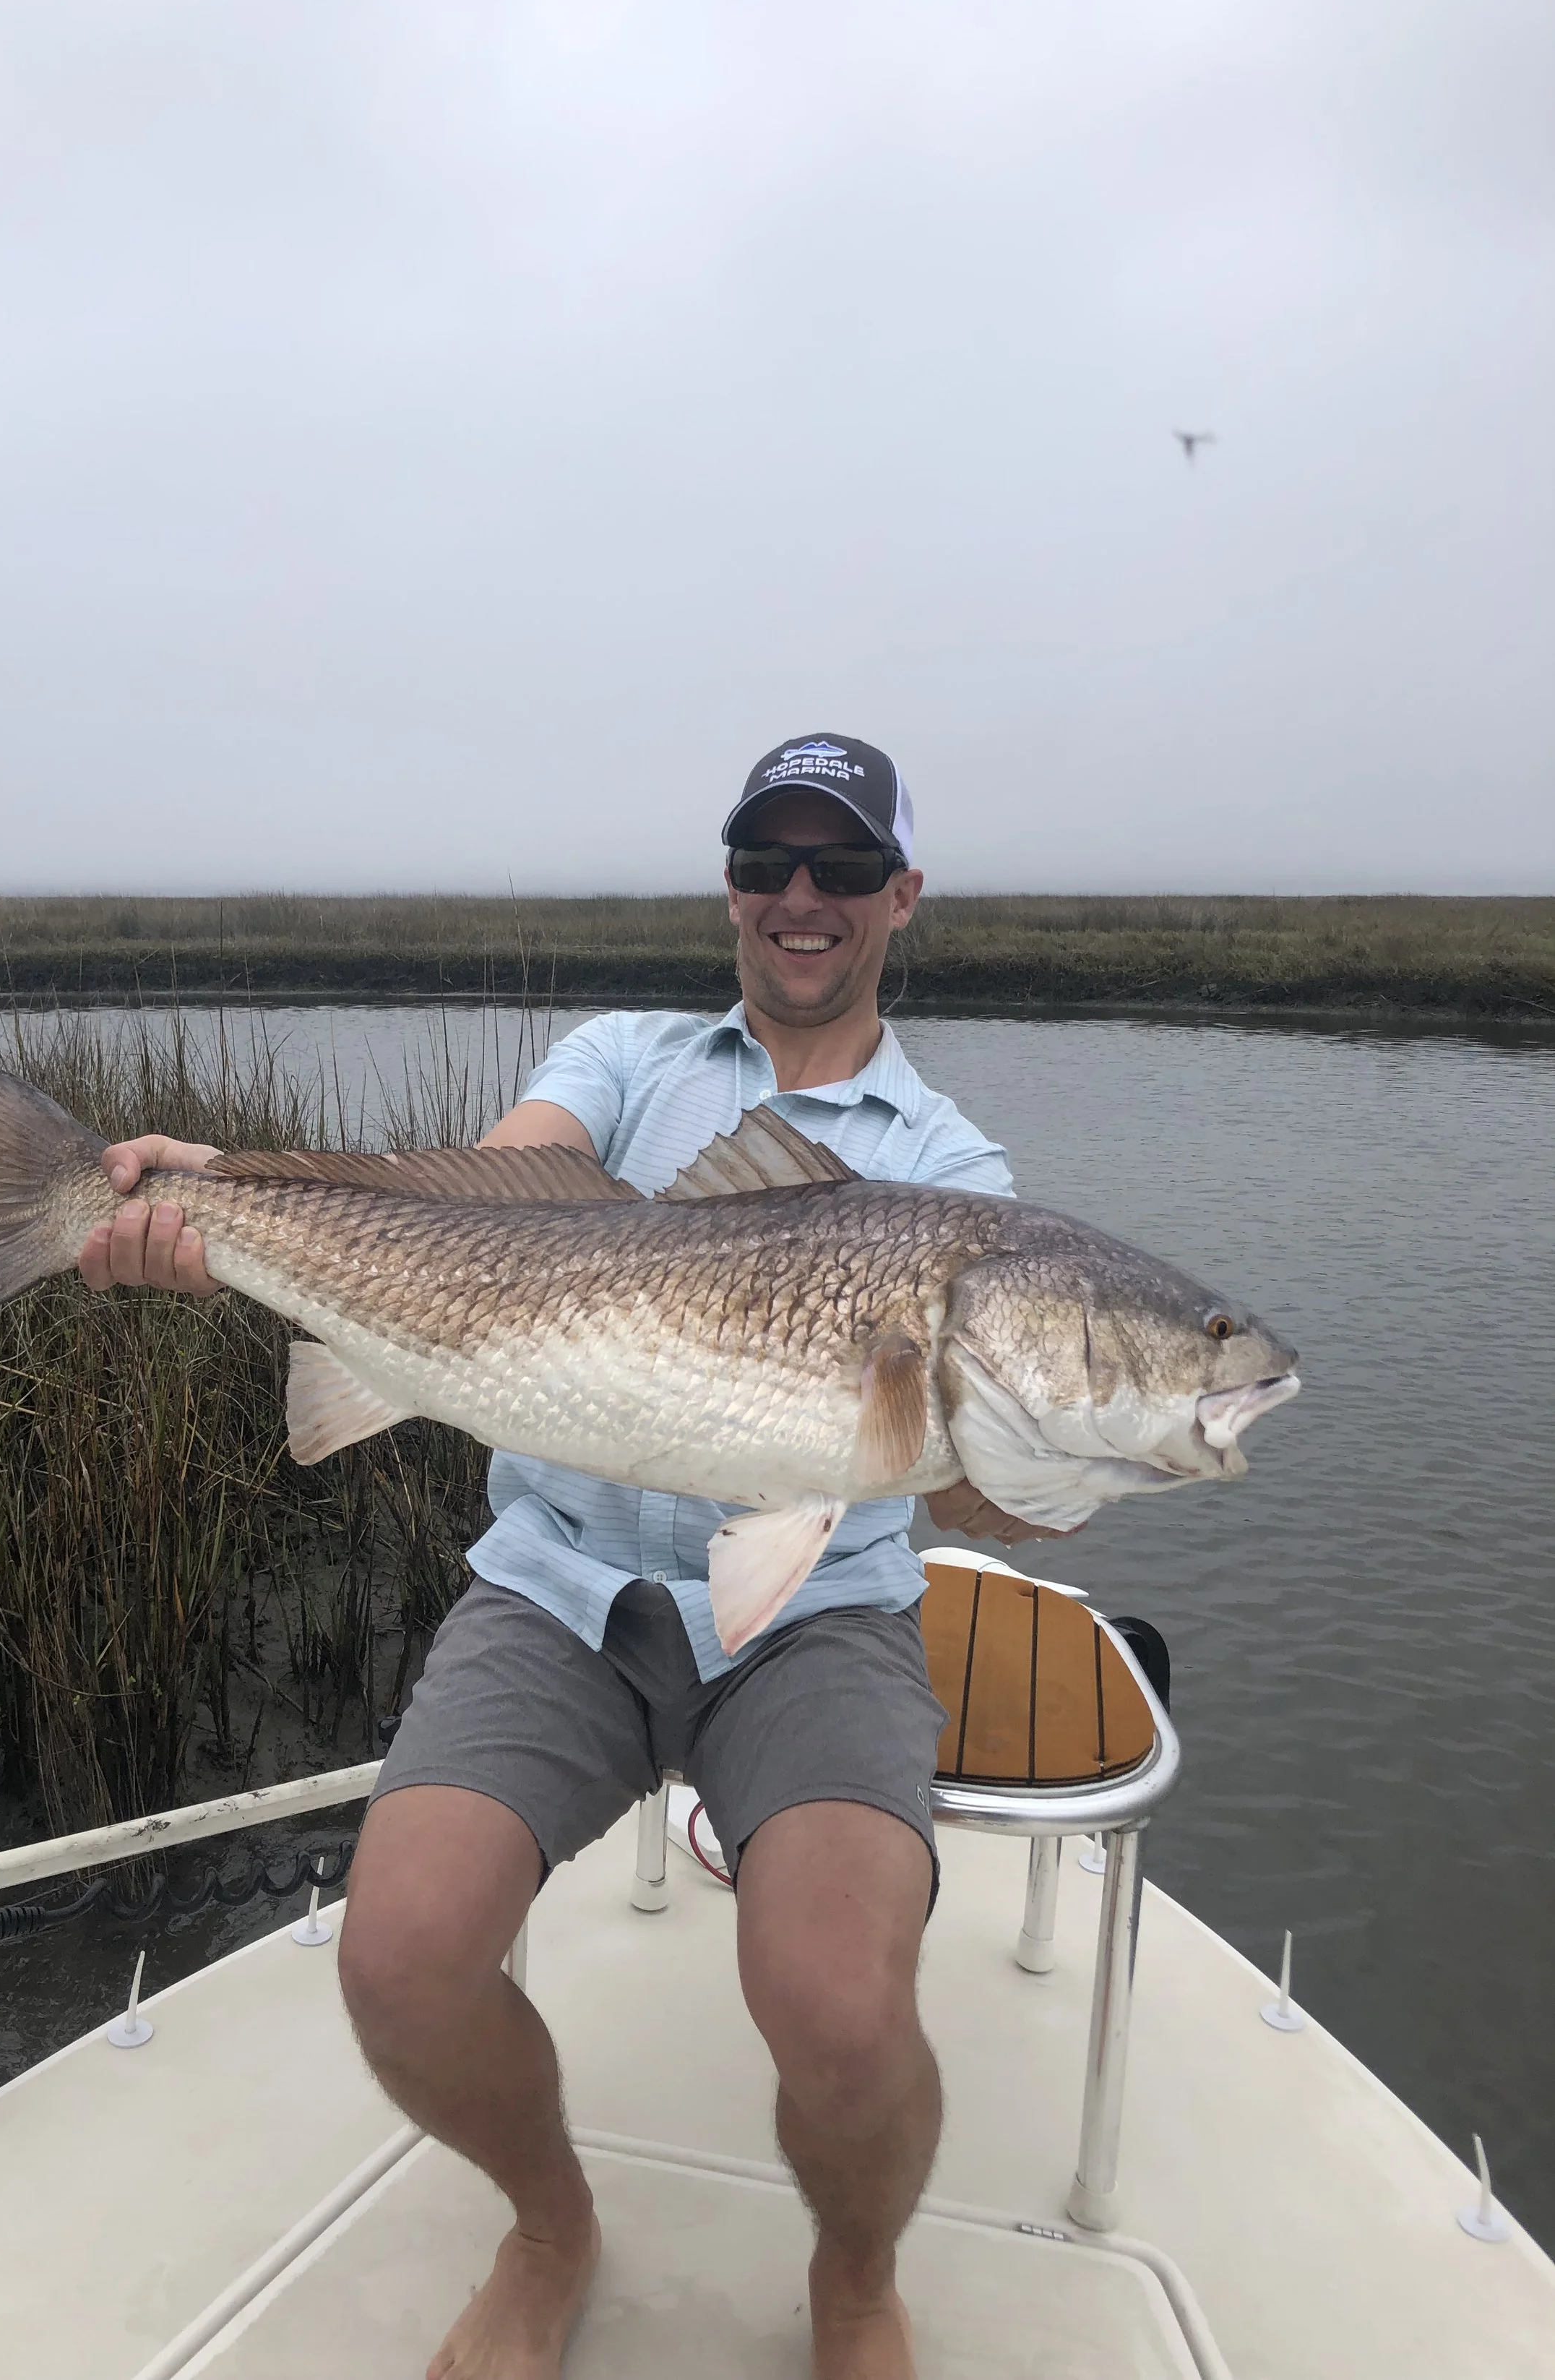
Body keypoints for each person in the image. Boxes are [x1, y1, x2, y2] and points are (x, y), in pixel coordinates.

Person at [79, 734, 1054, 2380]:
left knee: (837, 2004)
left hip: (811, 1614)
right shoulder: (621, 1058)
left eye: (835, 868)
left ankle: (856, 2278)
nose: (797, 898)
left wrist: (1024, 1457)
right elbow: (441, 1202)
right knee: (396, 1958)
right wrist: (221, 1201)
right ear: (731, 888)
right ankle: (548, 2223)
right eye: (766, 863)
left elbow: (995, 1503)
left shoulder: (952, 1177)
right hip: (559, 1586)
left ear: (900, 894)